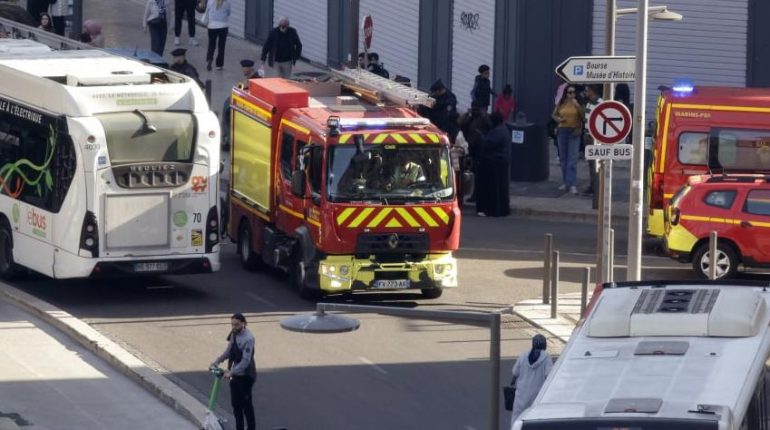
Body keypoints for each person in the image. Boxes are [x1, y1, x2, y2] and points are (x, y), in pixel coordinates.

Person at [211, 313, 257, 430]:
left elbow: (246, 361)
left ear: (243, 324)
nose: (234, 327)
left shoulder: (248, 338)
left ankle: (251, 428)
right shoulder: (234, 334)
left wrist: (231, 372)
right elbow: (228, 351)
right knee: (236, 404)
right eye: (232, 324)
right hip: (236, 375)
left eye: (237, 325)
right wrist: (216, 362)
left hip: (246, 376)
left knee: (246, 405)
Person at [509, 334, 553, 427]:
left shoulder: (523, 355)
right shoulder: (546, 357)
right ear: (544, 345)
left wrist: (512, 382)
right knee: (535, 419)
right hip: (537, 396)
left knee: (517, 417)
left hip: (521, 395)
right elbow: (549, 375)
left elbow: (515, 372)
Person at [476, 112, 510, 217]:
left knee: (492, 189)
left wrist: (481, 136)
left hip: (494, 162)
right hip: (499, 162)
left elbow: (488, 143)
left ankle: (492, 210)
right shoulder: (502, 129)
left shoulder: (498, 132)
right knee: (500, 188)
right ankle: (501, 209)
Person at [552, 85, 585, 195]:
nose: (571, 95)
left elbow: (584, 116)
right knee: (563, 159)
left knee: (572, 159)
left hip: (574, 131)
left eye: (573, 92)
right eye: (569, 92)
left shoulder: (578, 102)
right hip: (562, 131)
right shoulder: (562, 103)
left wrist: (577, 105)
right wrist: (559, 119)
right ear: (566, 93)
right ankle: (566, 182)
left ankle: (573, 184)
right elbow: (554, 115)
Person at [582, 84, 603, 195]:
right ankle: (592, 185)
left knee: (596, 163)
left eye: (587, 90)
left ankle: (596, 186)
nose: (585, 92)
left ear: (592, 91)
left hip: (594, 137)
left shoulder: (600, 103)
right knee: (591, 163)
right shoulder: (589, 103)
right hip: (587, 135)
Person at [204, 0, 230, 71]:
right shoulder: (227, 3)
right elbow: (228, 13)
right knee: (221, 46)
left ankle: (209, 59)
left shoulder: (210, 1)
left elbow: (207, 11)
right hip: (223, 26)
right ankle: (219, 65)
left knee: (211, 45)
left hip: (212, 26)